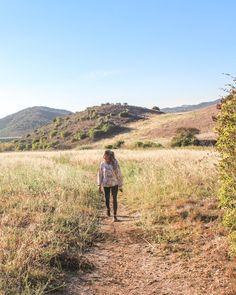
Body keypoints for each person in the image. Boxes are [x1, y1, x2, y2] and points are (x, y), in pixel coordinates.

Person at [97, 150, 123, 222]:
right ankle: (108, 209)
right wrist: (99, 185)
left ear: (110, 156)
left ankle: (115, 216)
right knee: (107, 198)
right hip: (105, 184)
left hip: (114, 184)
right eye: (104, 155)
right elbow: (100, 175)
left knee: (114, 199)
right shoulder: (102, 164)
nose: (104, 156)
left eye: (106, 155)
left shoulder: (115, 164)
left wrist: (120, 185)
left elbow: (119, 174)